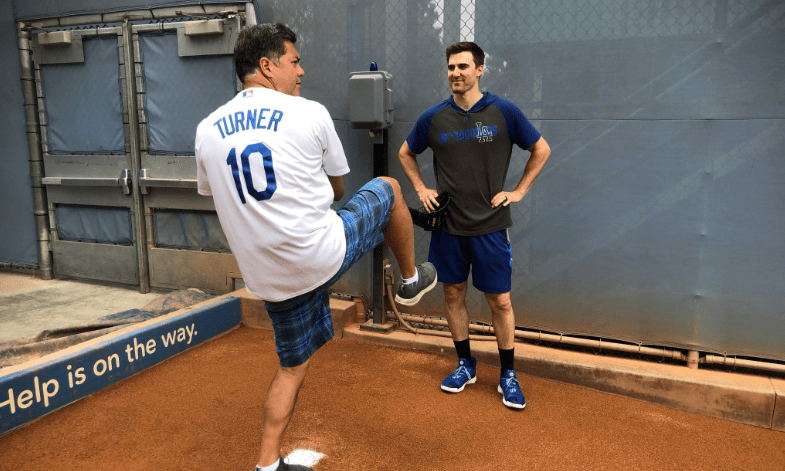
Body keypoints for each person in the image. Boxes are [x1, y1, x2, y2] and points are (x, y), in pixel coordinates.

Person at [195, 23, 437, 471]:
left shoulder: (207, 129)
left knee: (292, 367)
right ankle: (408, 281)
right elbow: (340, 190)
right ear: (267, 67)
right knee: (386, 187)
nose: (301, 70)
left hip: (268, 277)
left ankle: (266, 464)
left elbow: (219, 192)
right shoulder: (308, 112)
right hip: (320, 253)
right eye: (294, 60)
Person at [398, 41, 550, 410]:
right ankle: (465, 364)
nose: (455, 73)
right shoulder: (434, 118)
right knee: (452, 295)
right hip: (448, 228)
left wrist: (517, 192)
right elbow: (406, 153)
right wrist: (421, 188)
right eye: (451, 67)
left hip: (491, 227)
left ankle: (508, 374)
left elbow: (541, 149)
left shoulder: (504, 112)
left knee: (500, 300)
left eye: (463, 67)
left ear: (480, 70)